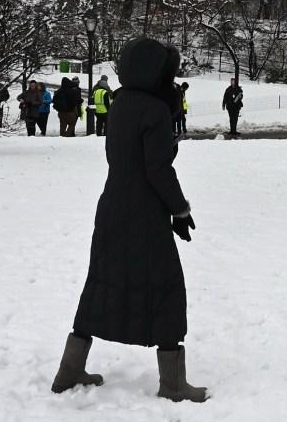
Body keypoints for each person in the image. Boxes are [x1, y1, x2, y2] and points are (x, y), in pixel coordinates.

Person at [52, 36, 208, 403]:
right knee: (166, 287)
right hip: (145, 214)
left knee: (101, 284)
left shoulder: (121, 104)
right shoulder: (153, 110)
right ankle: (173, 383)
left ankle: (69, 369)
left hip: (112, 208)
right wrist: (180, 210)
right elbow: (157, 170)